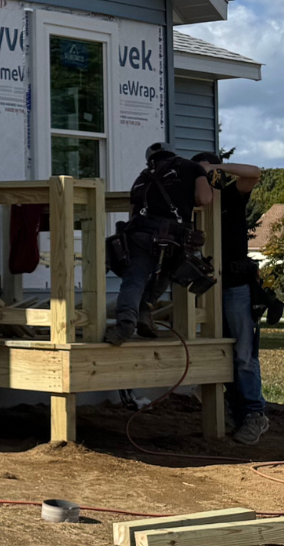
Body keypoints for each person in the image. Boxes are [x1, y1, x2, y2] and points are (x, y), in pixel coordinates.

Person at [193, 152, 270, 445]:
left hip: (237, 287)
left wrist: (215, 167)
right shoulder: (193, 210)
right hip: (206, 288)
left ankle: (253, 414)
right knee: (215, 351)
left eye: (209, 177)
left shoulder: (231, 199)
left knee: (243, 354)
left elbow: (253, 172)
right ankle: (226, 408)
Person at [108, 143, 214, 347]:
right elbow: (204, 198)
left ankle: (125, 325)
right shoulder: (192, 167)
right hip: (173, 237)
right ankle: (145, 306)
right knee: (168, 270)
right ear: (174, 153)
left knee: (134, 280)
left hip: (139, 235)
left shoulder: (142, 177)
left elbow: (132, 213)